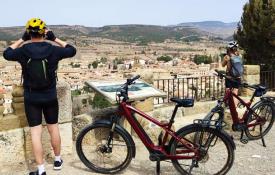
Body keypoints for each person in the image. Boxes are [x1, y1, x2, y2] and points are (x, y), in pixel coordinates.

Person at [3, 18, 76, 175]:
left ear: (29, 33)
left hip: (31, 97)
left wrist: (22, 40)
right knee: (53, 128)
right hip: (50, 96)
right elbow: (71, 50)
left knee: (35, 133)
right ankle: (57, 160)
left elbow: (6, 53)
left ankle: (41, 170)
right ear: (44, 32)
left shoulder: (23, 51)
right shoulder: (53, 49)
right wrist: (54, 38)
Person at [222, 41, 243, 107]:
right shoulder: (240, 56)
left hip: (229, 77)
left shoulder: (227, 56)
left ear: (229, 48)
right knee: (235, 93)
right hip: (238, 77)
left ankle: (228, 107)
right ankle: (235, 107)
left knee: (228, 91)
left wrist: (226, 60)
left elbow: (223, 65)